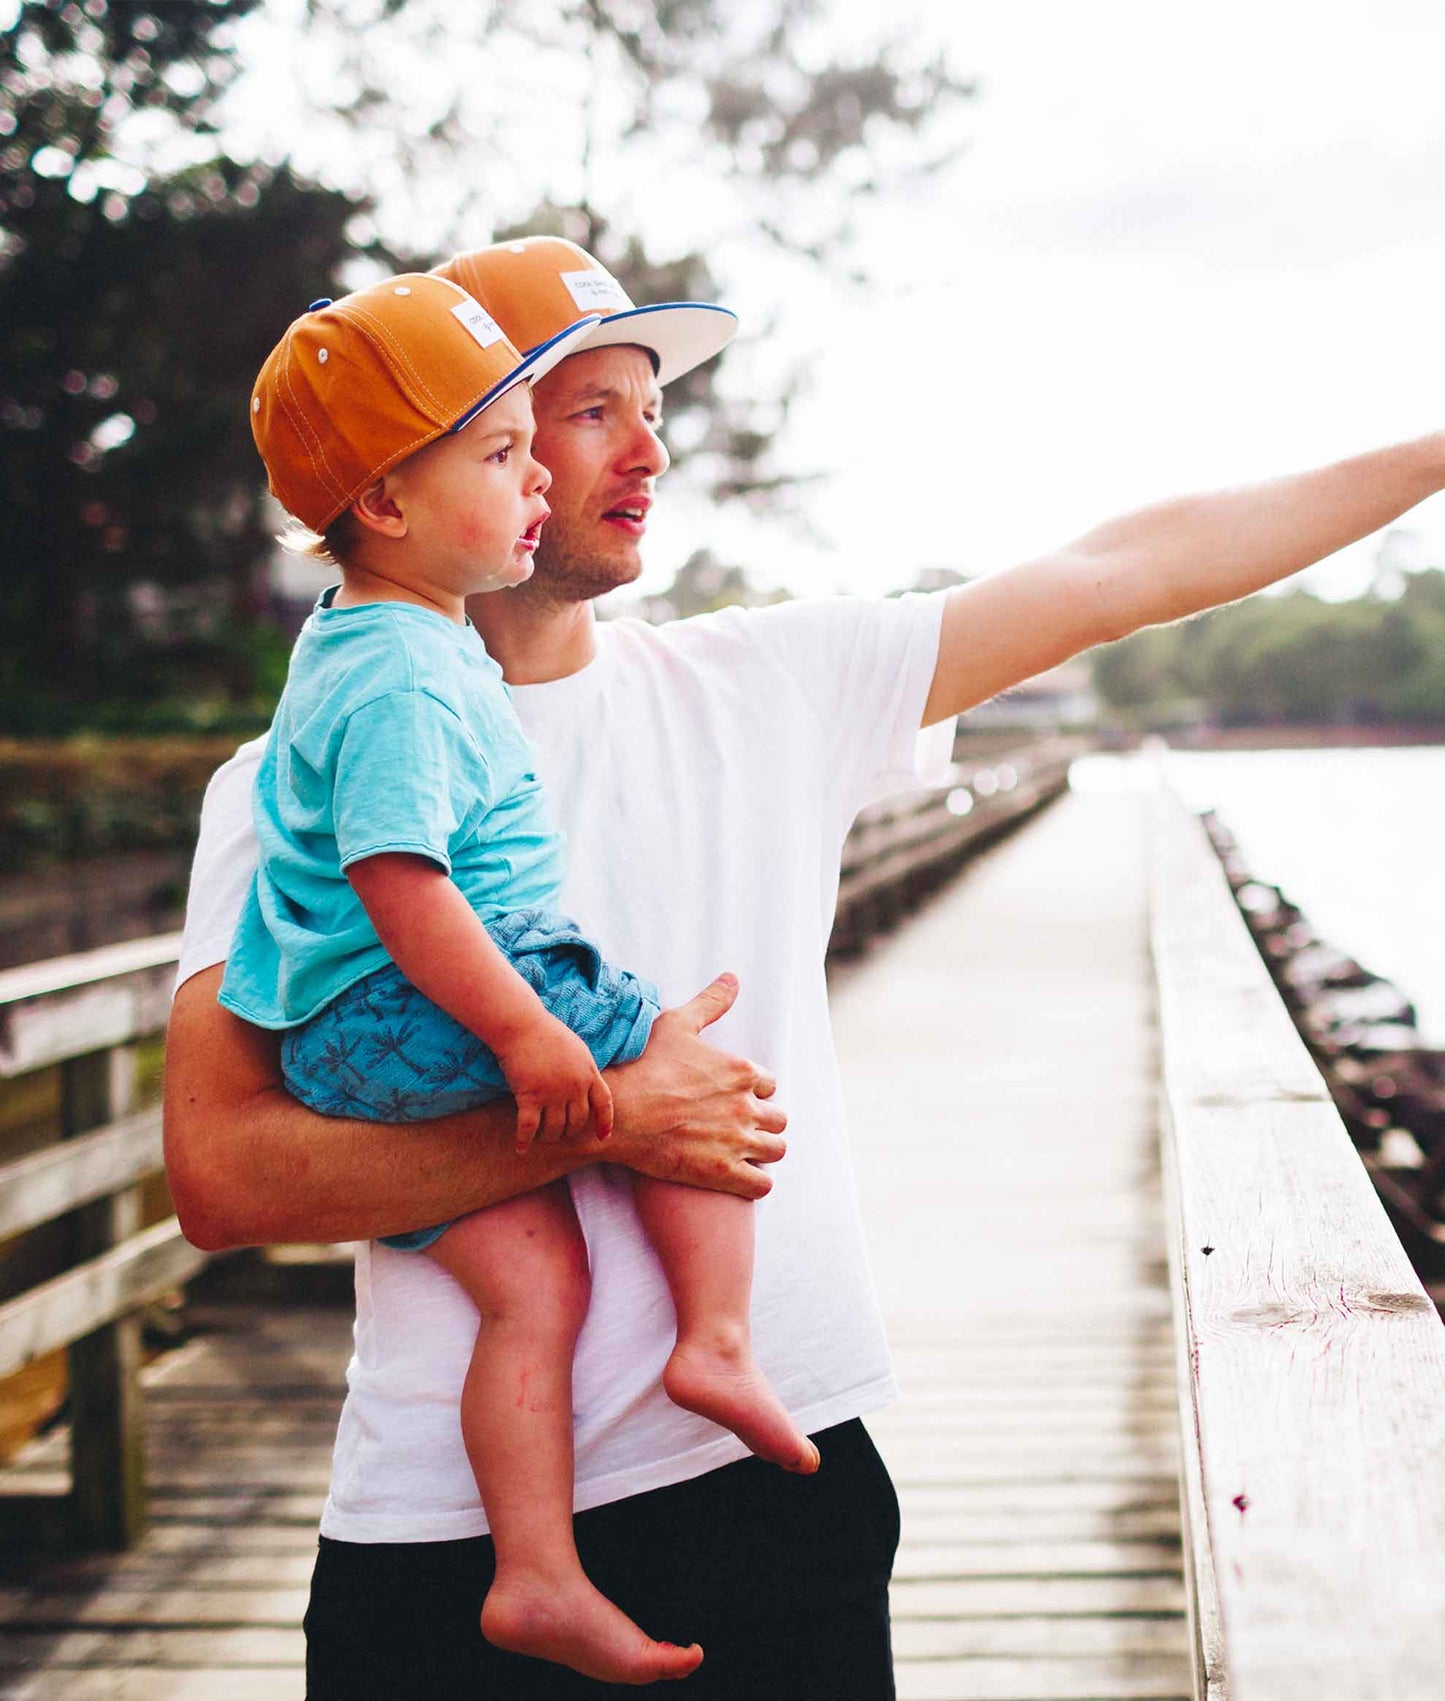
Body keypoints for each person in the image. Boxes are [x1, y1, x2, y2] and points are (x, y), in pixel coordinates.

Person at [164, 235, 1445, 1698]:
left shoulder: (766, 687)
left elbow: (1117, 573)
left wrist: (1430, 453)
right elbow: (223, 1174)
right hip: (443, 1544)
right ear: (435, 458)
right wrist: (613, 1118)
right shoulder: (290, 781)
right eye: (586, 413)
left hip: (774, 1478)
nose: (646, 449)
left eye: (653, 409)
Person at [224, 268, 819, 1685]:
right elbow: (401, 881)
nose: (536, 477)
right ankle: (719, 1339)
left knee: (533, 1279)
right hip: (419, 1004)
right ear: (386, 502)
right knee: (678, 1063)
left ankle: (536, 1569)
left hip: (348, 1039)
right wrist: (545, 1043)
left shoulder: (359, 646)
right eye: (503, 452)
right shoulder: (405, 674)